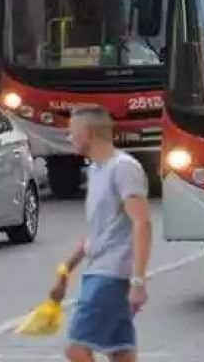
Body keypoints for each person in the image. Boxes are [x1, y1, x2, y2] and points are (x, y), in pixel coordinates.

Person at [49, 105, 152, 362]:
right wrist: (65, 270)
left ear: (89, 133)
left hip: (110, 275)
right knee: (121, 352)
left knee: (76, 348)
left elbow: (142, 223)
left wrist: (138, 282)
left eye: (72, 132)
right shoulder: (95, 171)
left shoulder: (123, 168)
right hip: (101, 272)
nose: (69, 138)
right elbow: (97, 233)